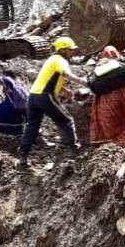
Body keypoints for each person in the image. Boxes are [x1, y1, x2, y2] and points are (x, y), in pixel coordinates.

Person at [19, 37, 83, 168]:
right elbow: (67, 74)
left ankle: (22, 158)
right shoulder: (61, 60)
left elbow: (48, 78)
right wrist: (86, 82)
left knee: (32, 126)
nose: (73, 53)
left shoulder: (51, 59)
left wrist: (64, 90)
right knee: (66, 120)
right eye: (71, 50)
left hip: (33, 96)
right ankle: (75, 151)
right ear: (63, 50)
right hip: (45, 96)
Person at [0, 71, 28, 137]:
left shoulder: (7, 79)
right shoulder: (18, 85)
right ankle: (14, 132)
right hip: (21, 108)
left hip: (12, 106)